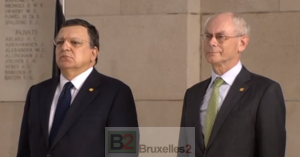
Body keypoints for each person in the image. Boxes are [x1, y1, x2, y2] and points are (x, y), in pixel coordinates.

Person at [17, 18, 139, 157]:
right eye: (60, 42)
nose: (65, 47)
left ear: (94, 53)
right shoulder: (37, 92)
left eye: (75, 43)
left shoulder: (116, 93)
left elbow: (124, 152)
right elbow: (25, 149)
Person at [178, 12, 286, 157]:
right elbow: (185, 151)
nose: (212, 42)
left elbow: (271, 151)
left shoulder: (265, 91)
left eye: (220, 37)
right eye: (208, 36)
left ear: (242, 43)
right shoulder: (193, 94)